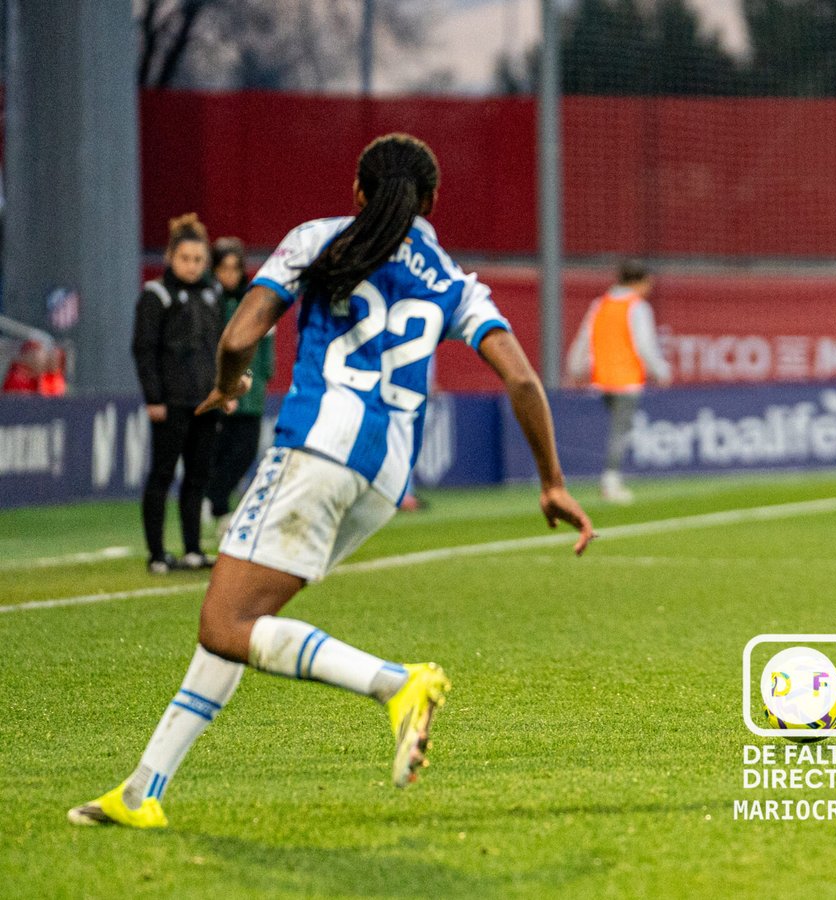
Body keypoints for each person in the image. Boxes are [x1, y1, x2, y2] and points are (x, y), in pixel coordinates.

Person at [69, 133, 595, 830]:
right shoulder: (450, 278)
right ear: (431, 202)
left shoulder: (321, 239)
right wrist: (552, 481)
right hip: (382, 481)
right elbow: (523, 378)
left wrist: (229, 389)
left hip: (315, 452)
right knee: (238, 620)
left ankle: (396, 685)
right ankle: (143, 789)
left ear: (357, 192)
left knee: (226, 622)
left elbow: (237, 338)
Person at [132, 213, 223, 574]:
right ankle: (156, 553)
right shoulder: (156, 295)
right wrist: (153, 398)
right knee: (163, 474)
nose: (192, 266)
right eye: (186, 258)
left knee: (199, 476)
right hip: (171, 403)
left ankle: (192, 549)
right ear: (170, 256)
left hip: (206, 401)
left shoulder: (211, 294)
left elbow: (220, 345)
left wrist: (225, 387)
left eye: (199, 260)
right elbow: (144, 349)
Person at [565, 259, 670, 504]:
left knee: (616, 430)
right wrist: (660, 370)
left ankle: (610, 479)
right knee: (620, 432)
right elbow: (644, 344)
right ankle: (610, 482)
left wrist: (575, 368)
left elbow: (584, 337)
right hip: (626, 379)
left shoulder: (600, 304)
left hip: (602, 379)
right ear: (640, 282)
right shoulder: (638, 307)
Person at [203, 237, 274, 533]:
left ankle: (213, 501)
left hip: (251, 395)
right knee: (217, 453)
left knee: (244, 453)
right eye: (223, 268)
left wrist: (262, 378)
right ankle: (217, 508)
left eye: (235, 268)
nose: (229, 274)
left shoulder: (254, 301)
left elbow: (266, 346)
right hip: (220, 392)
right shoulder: (208, 302)